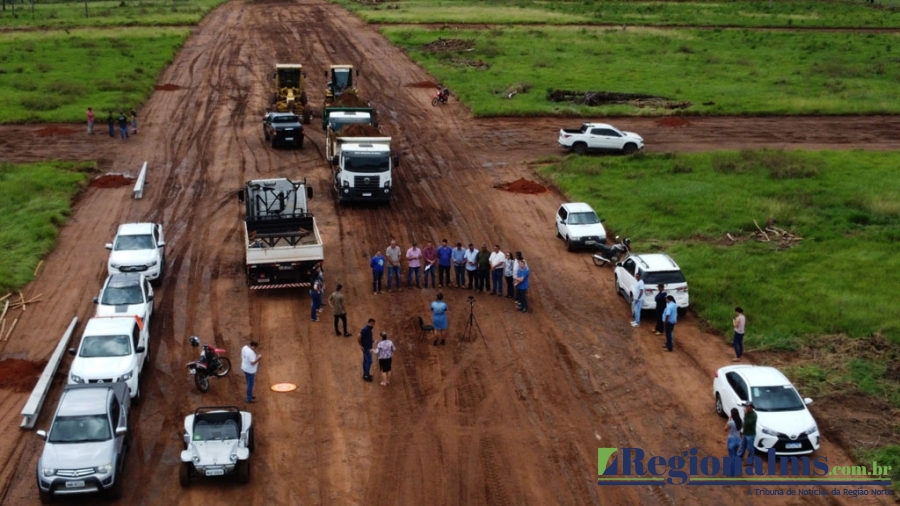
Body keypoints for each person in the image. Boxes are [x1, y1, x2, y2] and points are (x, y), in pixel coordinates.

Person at [725, 407, 743, 476]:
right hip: (738, 440)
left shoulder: (731, 422)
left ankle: (732, 474)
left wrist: (729, 419)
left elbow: (725, 429)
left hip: (731, 440)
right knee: (735, 456)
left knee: (732, 457)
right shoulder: (740, 421)